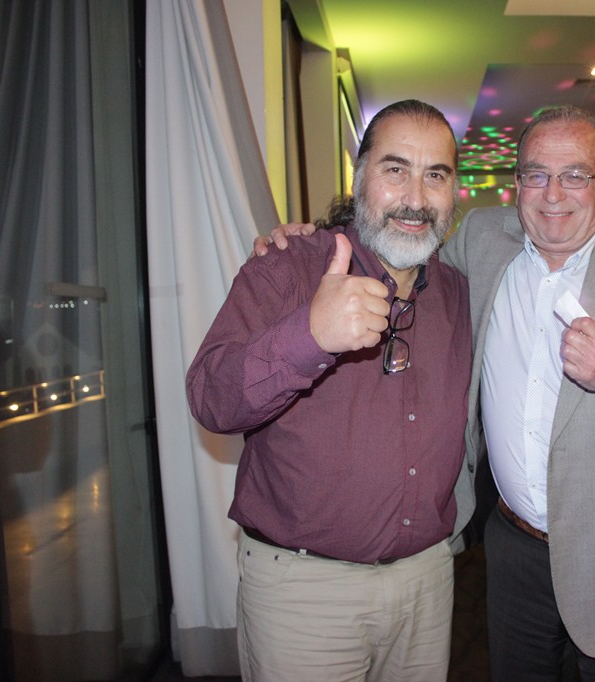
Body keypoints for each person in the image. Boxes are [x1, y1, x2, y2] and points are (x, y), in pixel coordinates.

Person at [260, 105, 595, 681]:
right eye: (536, 174)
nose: (553, 194)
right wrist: (316, 239)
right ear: (516, 184)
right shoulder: (484, 240)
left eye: (575, 175)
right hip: (513, 555)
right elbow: (397, 242)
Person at [186, 100, 474, 681]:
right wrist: (309, 336)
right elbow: (210, 398)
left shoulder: (459, 291)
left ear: (454, 191)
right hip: (304, 591)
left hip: (427, 581)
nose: (416, 197)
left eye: (436, 175)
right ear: (360, 175)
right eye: (395, 169)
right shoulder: (289, 268)